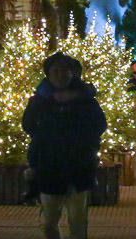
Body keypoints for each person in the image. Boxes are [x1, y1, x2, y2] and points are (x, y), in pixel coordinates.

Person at [22, 52, 107, 239]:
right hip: (49, 167)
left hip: (79, 167)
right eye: (55, 70)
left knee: (77, 220)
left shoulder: (85, 100)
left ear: (72, 73)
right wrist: (45, 139)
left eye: (64, 70)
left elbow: (100, 125)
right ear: (49, 74)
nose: (60, 74)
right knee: (48, 221)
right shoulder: (40, 99)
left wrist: (86, 146)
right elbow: (27, 124)